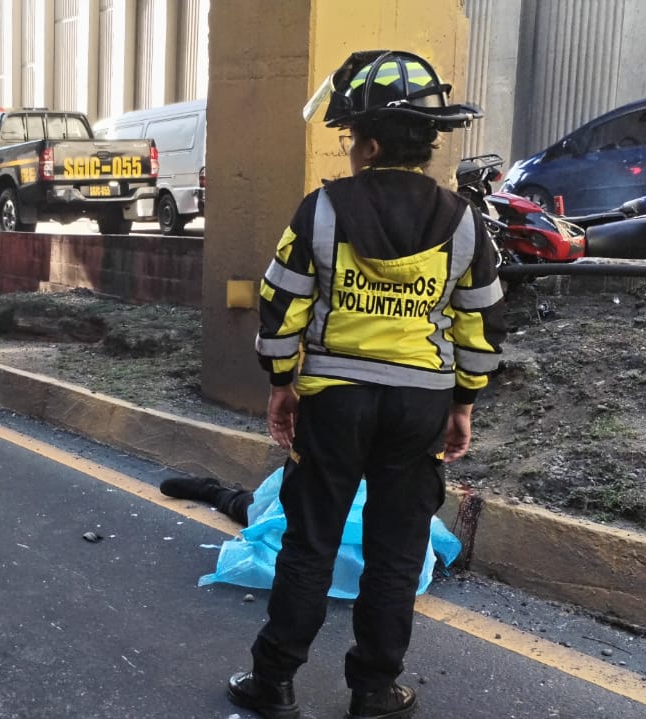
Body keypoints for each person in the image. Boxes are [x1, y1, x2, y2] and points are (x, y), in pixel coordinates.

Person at [227, 50, 507, 719]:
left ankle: (273, 683)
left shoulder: (320, 210)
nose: (349, 150)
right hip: (419, 406)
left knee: (310, 539)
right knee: (394, 546)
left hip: (334, 401)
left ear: (372, 143)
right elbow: (481, 321)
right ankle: (375, 691)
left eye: (351, 139)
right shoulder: (462, 220)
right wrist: (463, 399)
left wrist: (281, 382)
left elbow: (281, 304)